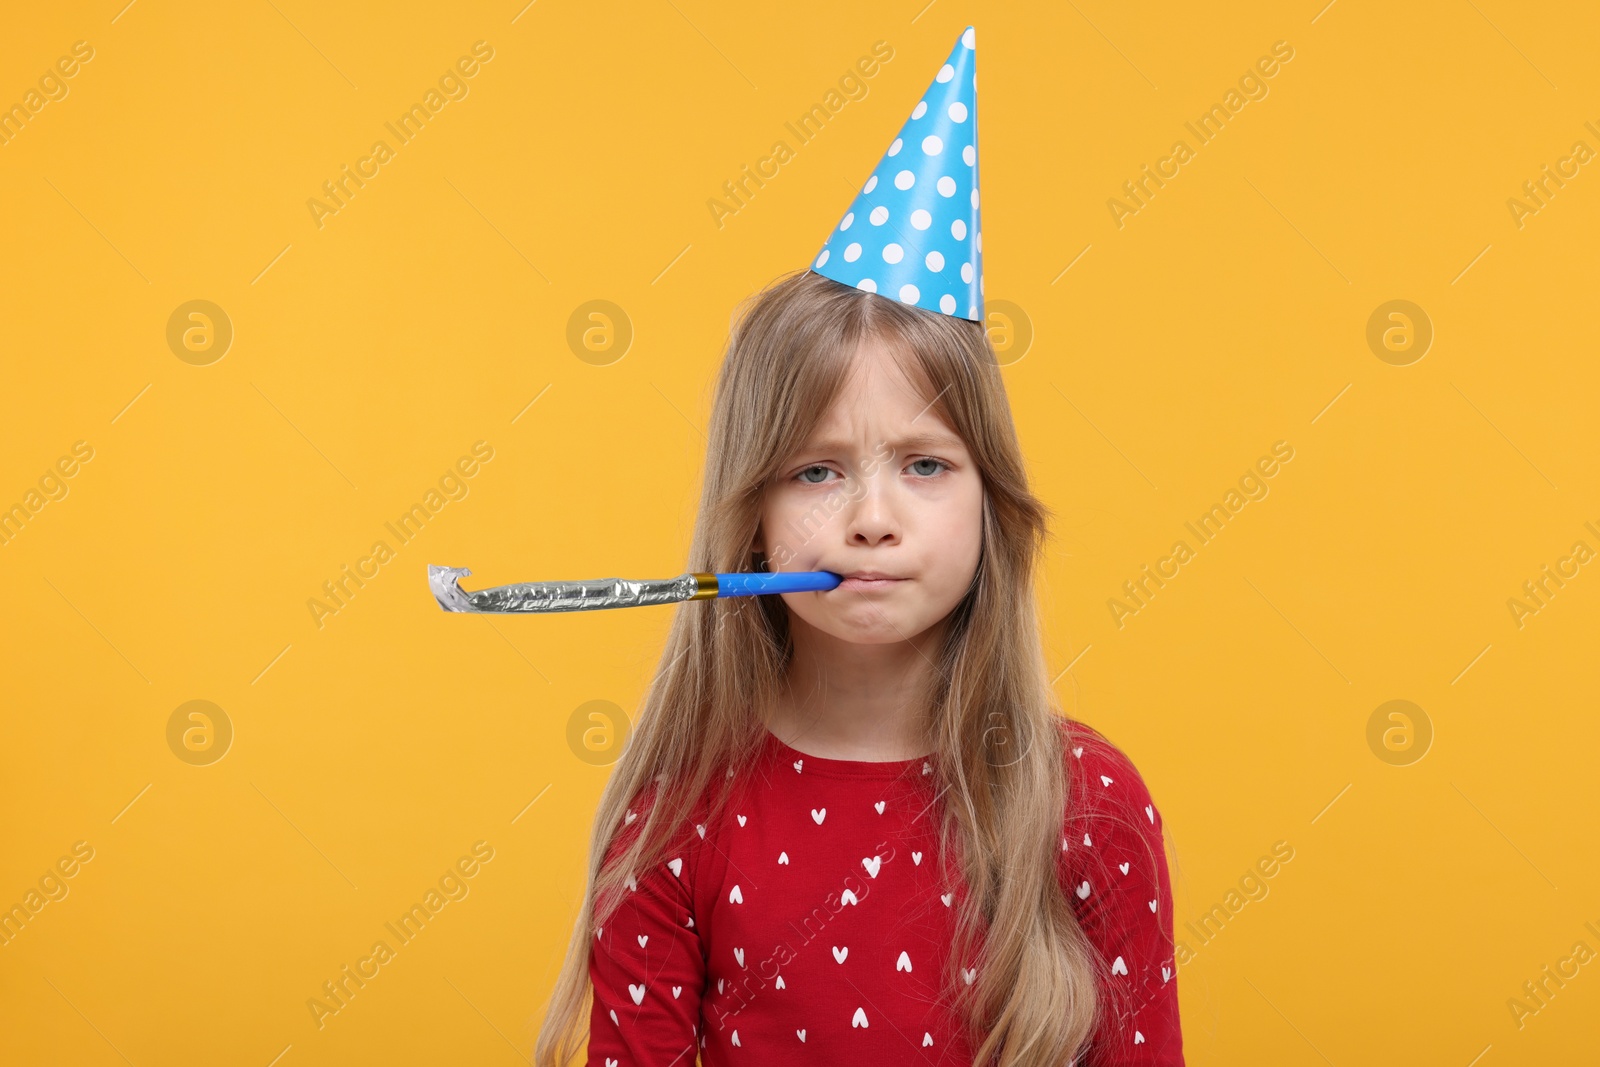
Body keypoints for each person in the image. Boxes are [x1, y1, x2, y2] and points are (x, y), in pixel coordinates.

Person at [534, 27, 1182, 1067]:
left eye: (924, 465)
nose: (869, 517)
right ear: (745, 515)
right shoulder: (676, 817)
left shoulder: (1089, 802)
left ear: (993, 504)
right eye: (816, 470)